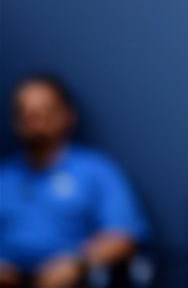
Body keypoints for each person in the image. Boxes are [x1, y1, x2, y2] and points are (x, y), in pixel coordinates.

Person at [0, 73, 150, 288]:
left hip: (69, 276)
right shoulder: (5, 176)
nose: (36, 123)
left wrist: (79, 262)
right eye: (27, 114)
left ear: (67, 116)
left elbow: (124, 235)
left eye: (45, 112)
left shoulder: (95, 170)